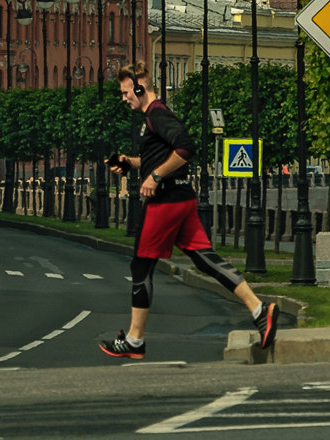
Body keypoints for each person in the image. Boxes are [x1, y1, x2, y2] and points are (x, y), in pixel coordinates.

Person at [98, 61, 278, 359]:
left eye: (126, 91)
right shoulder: (154, 117)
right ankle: (260, 311)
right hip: (182, 198)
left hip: (165, 202)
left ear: (140, 87)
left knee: (141, 267)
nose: (124, 97)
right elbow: (162, 155)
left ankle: (135, 339)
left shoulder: (156, 114)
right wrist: (130, 162)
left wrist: (155, 177)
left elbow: (185, 147)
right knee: (205, 260)